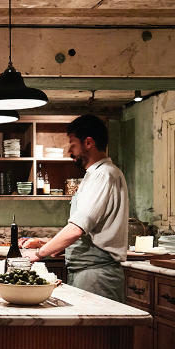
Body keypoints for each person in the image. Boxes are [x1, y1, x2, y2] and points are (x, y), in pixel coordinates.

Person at [29, 114, 129, 302]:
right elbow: (88, 231)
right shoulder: (94, 175)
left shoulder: (105, 175)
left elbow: (76, 229)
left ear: (88, 142)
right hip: (86, 271)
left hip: (97, 276)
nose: (69, 151)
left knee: (96, 331)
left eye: (72, 144)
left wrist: (37, 254)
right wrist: (58, 247)